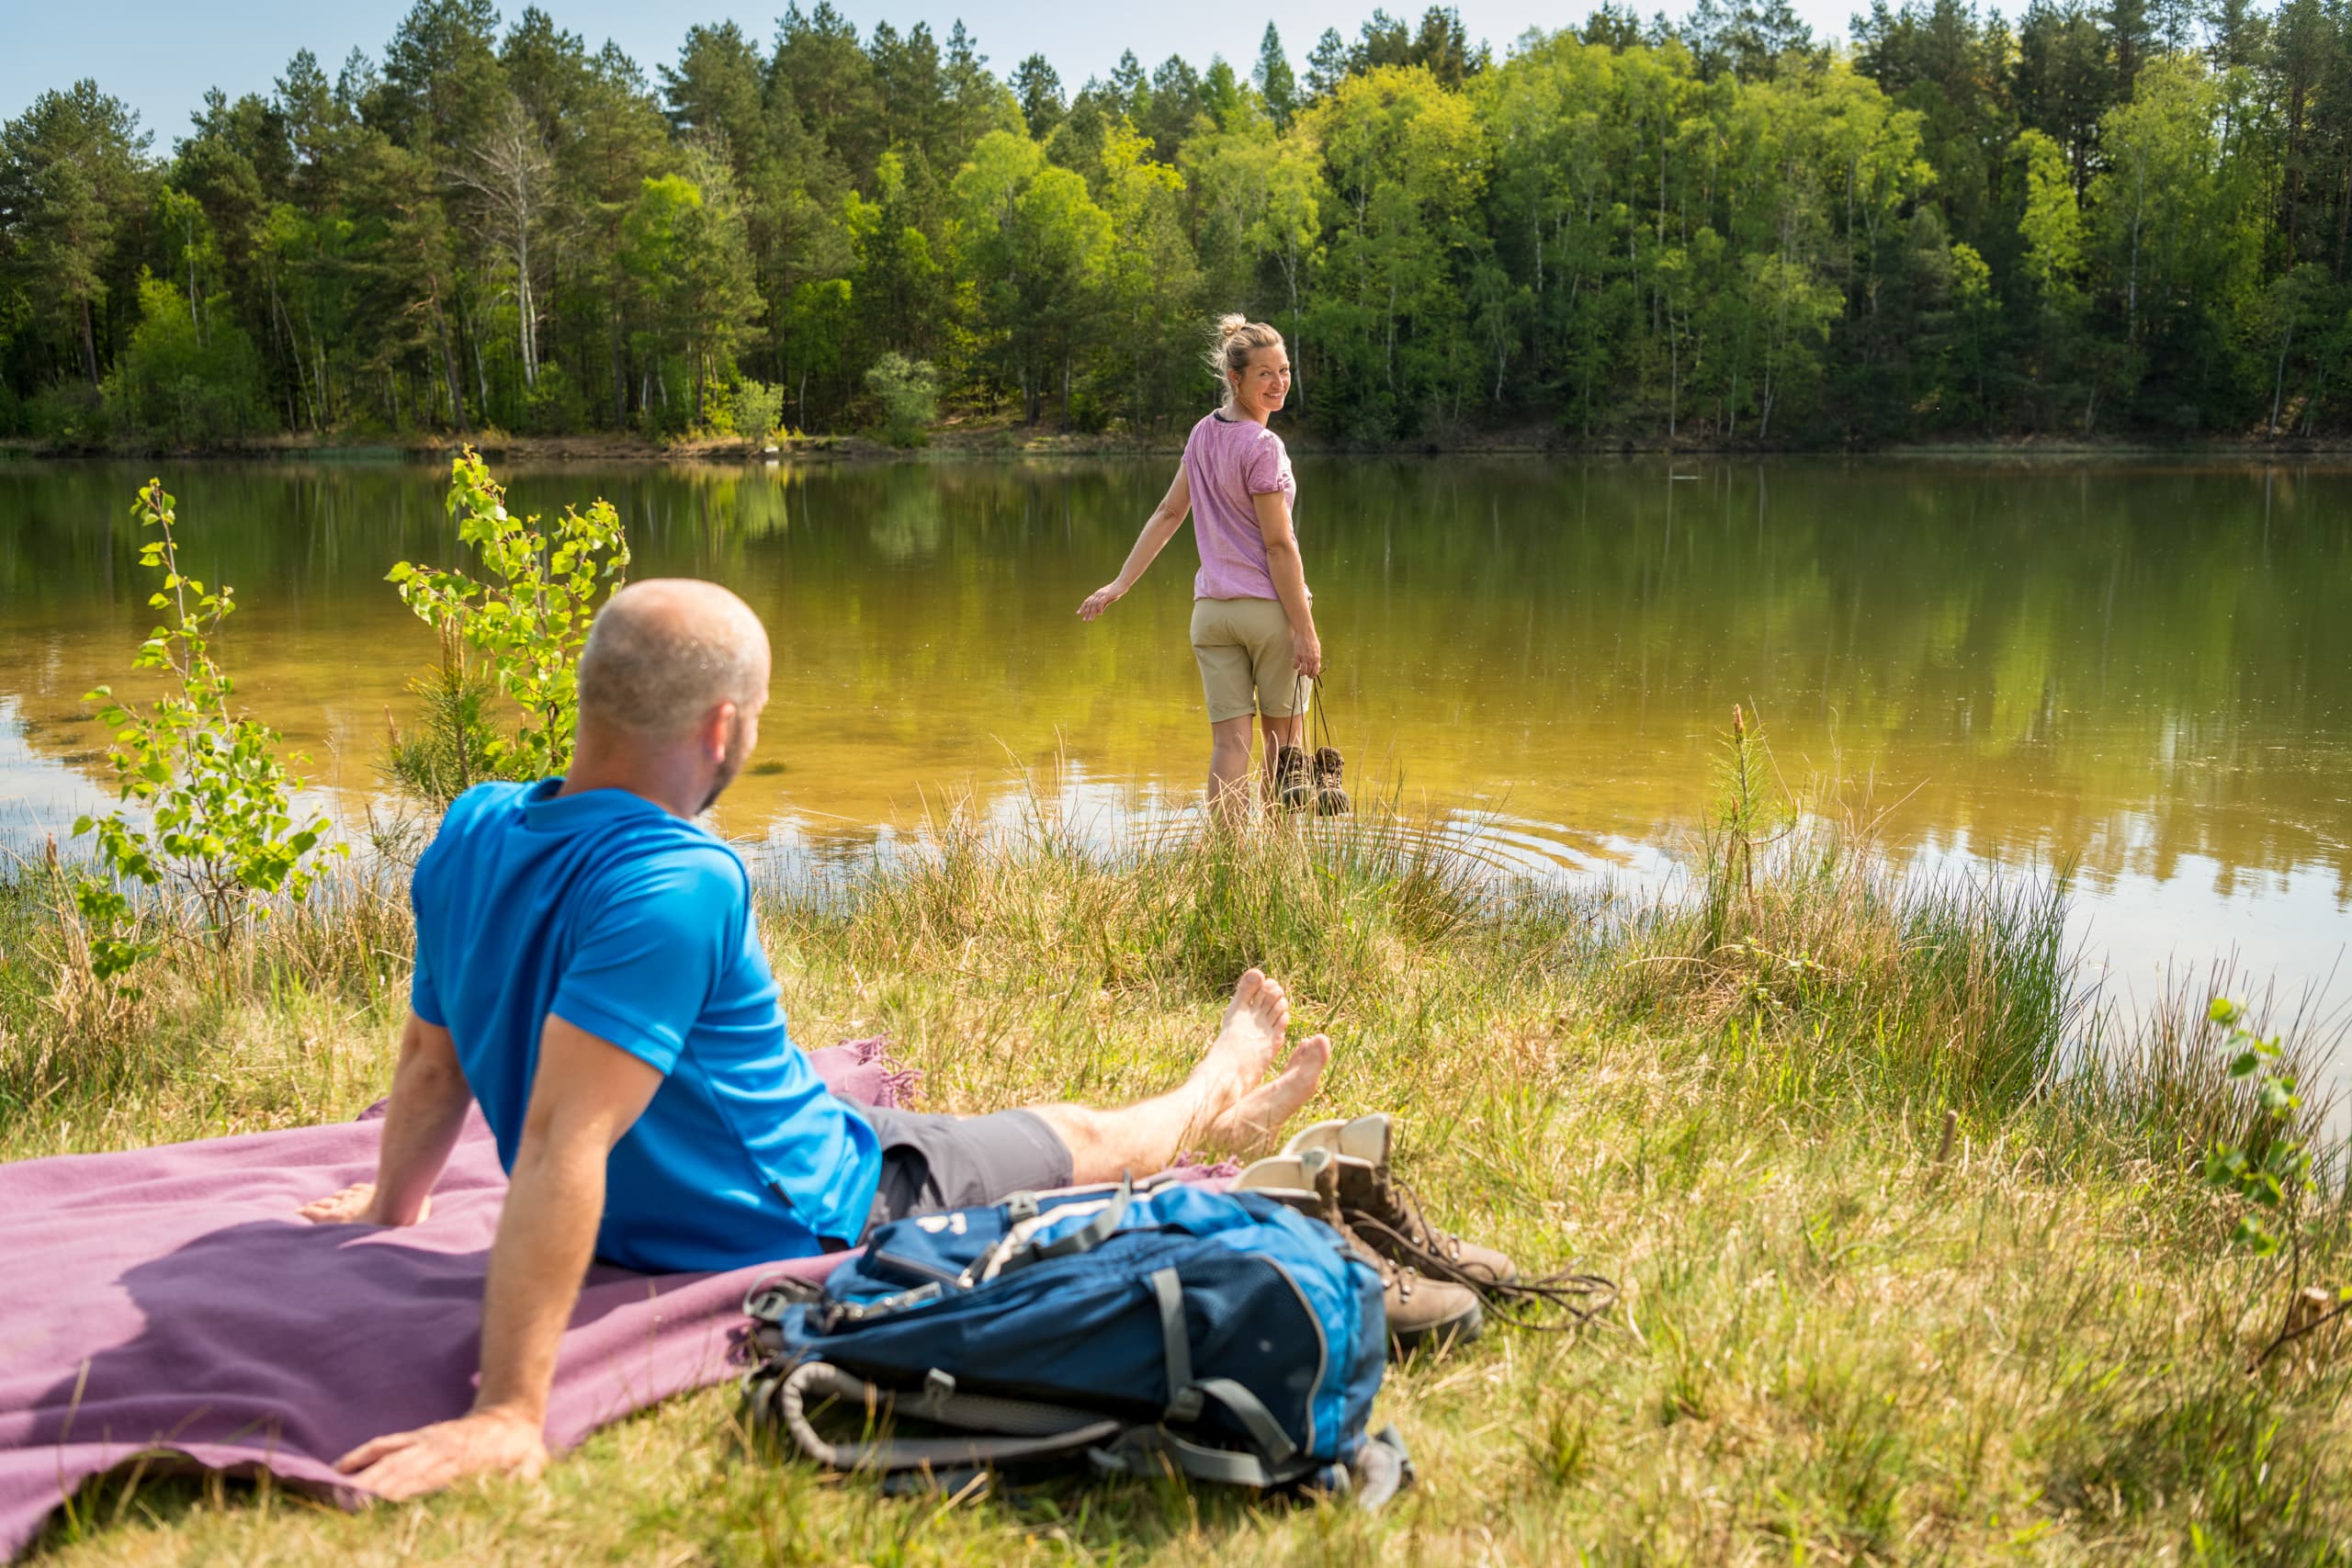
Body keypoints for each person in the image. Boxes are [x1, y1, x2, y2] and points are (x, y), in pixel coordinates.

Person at [297, 579, 1334, 1499]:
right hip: (813, 1203)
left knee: (888, 1115)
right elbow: (564, 1136)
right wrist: (508, 1412)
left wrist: (395, 1203)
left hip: (723, 1153)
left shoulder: (472, 826)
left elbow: (430, 1058)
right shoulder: (681, 878)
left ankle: (1213, 1111)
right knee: (1078, 1137)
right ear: (722, 728)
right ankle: (1212, 1094)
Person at [1080, 316, 1320, 821]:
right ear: (1236, 378)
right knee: (1284, 748)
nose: (1278, 382)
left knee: (1230, 746)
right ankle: (1281, 862)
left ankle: (1226, 858)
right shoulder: (1264, 446)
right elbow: (1279, 546)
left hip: (1212, 615)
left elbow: (1168, 512)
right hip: (1269, 613)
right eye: (1264, 373)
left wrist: (1122, 582)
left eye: (1284, 370)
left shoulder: (1202, 433)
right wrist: (1305, 629)